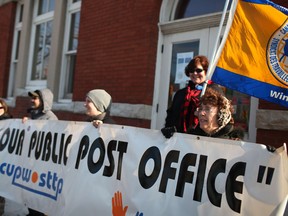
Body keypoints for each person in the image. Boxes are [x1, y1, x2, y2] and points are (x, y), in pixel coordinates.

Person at [161, 55, 223, 138]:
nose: (195, 73)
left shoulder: (214, 91)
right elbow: (171, 114)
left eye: (198, 70)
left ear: (206, 71)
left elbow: (222, 116)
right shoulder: (181, 93)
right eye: (191, 70)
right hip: (179, 140)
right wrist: (168, 128)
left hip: (203, 139)